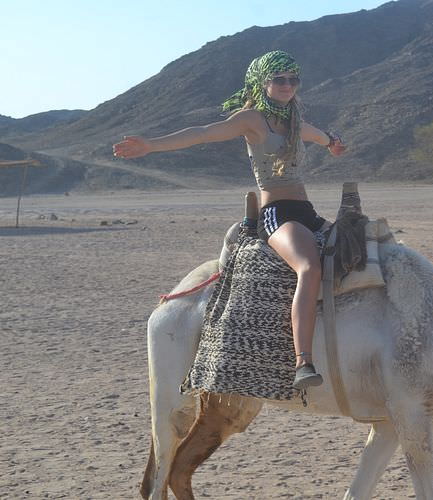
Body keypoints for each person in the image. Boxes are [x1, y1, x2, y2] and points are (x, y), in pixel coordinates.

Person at [113, 50, 346, 390]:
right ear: (263, 82)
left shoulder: (297, 123)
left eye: (293, 79)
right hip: (277, 214)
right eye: (279, 79)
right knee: (309, 267)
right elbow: (204, 132)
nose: (287, 85)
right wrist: (151, 145)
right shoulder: (252, 119)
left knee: (360, 248)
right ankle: (303, 362)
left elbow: (327, 139)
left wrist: (335, 146)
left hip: (307, 213)